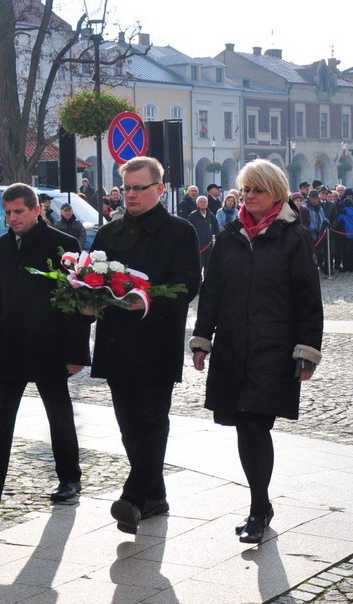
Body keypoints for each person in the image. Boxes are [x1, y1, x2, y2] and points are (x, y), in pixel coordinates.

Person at [190, 160, 323, 544]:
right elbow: (211, 290)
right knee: (241, 424)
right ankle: (261, 504)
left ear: (276, 194)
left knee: (254, 424)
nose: (249, 196)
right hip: (232, 345)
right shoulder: (229, 235)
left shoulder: (293, 237)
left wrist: (306, 351)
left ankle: (256, 509)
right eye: (246, 189)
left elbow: (308, 300)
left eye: (257, 190)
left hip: (274, 347)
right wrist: (202, 339)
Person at [0, 184, 91, 515]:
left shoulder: (64, 244)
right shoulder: (1, 247)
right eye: (9, 212)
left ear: (36, 210)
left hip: (51, 347)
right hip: (10, 347)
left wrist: (76, 354)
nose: (13, 218)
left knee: (58, 414)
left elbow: (77, 302)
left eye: (19, 211)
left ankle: (70, 479)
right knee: (1, 419)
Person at [90, 156, 201, 535]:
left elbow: (188, 284)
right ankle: (156, 496)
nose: (132, 195)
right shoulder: (109, 232)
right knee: (128, 426)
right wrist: (88, 298)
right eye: (127, 189)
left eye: (140, 188)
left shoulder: (179, 231)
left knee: (151, 421)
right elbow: (91, 275)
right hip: (116, 342)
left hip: (156, 341)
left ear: (160, 189)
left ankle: (134, 497)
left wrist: (148, 300)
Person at [186, 195, 219, 270]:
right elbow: (189, 230)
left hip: (210, 247)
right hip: (198, 247)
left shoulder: (211, 216)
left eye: (205, 202)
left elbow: (216, 230)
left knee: (209, 268)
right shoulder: (192, 216)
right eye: (201, 202)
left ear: (207, 204)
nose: (203, 204)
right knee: (198, 268)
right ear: (197, 204)